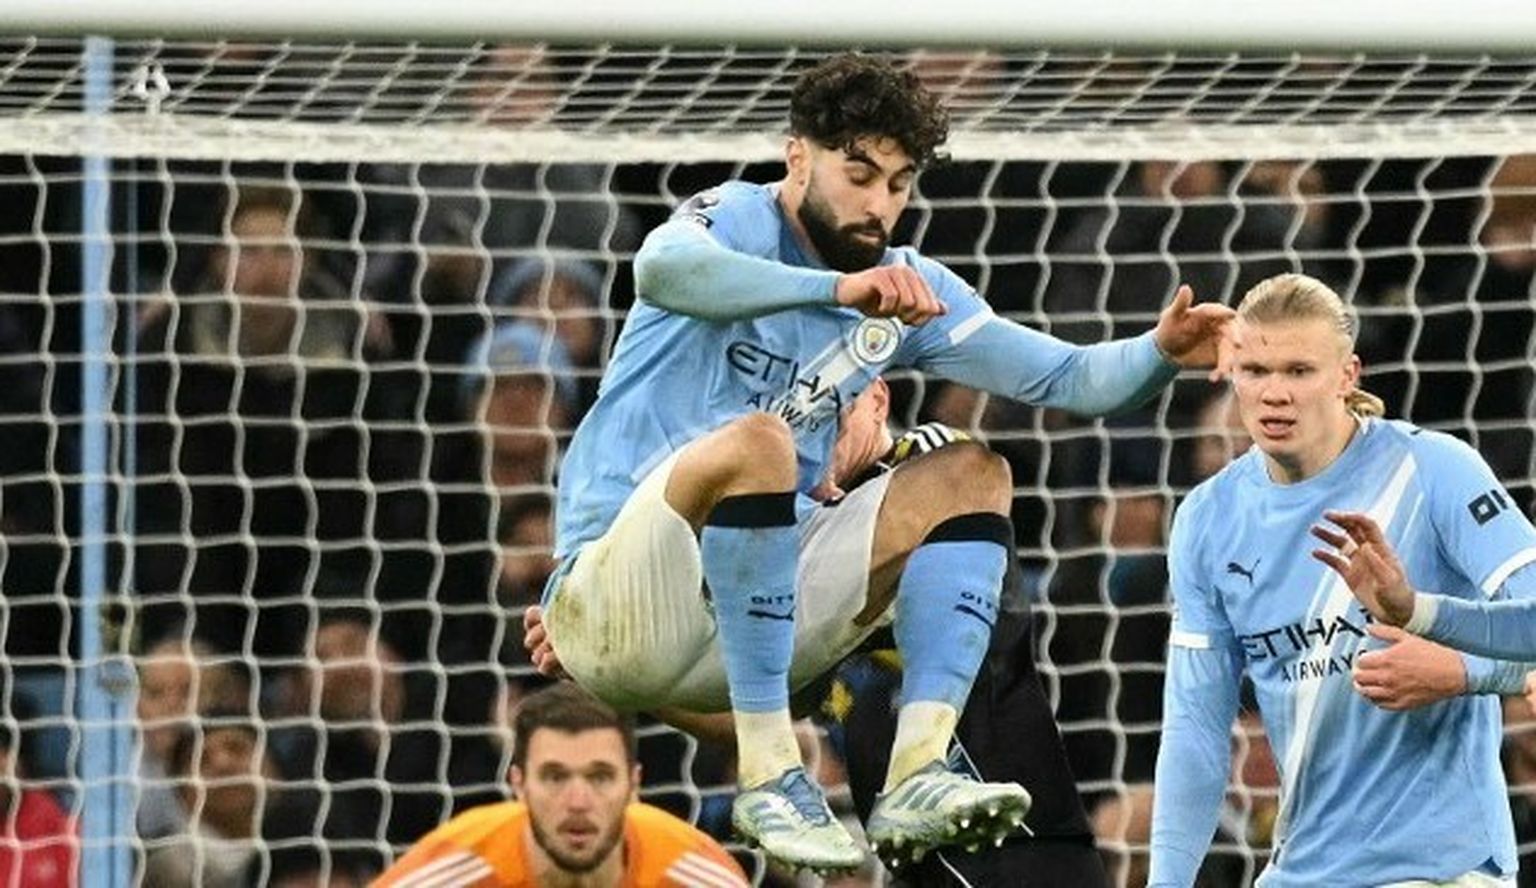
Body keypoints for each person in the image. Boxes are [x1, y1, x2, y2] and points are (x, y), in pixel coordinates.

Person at [540, 51, 1233, 873]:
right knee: (761, 442)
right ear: (798, 158)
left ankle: (917, 771)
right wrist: (835, 293)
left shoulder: (906, 287)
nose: (879, 204)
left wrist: (1159, 352)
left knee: (975, 474)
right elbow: (661, 270)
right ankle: (769, 774)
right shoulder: (735, 219)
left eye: (899, 184)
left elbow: (1072, 379)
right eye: (859, 174)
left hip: (753, 629)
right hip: (617, 592)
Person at [1150, 272, 1536, 886]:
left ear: (1347, 376)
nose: (1275, 394)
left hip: (1442, 866)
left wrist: (1461, 672)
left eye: (1299, 371)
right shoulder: (1207, 518)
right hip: (1302, 870)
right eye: (1256, 371)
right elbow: (1195, 727)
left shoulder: (1431, 469)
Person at [373, 682, 748, 888]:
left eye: (600, 777)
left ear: (633, 785)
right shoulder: (455, 870)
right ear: (519, 785)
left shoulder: (694, 874)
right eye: (555, 777)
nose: (578, 801)